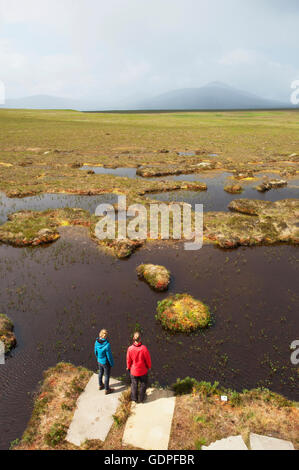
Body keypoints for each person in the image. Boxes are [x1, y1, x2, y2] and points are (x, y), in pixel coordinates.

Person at [126, 332, 152, 403]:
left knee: (134, 384)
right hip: (143, 371)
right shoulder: (144, 348)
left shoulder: (130, 348)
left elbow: (128, 360)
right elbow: (148, 359)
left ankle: (134, 398)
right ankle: (141, 398)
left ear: (133, 338)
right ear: (140, 339)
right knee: (143, 384)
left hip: (133, 371)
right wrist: (149, 366)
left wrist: (128, 367)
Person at [94, 329, 114, 395]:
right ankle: (107, 389)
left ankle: (100, 385)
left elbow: (95, 351)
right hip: (105, 362)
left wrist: (98, 358)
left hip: (99, 361)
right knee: (107, 375)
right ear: (106, 336)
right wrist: (111, 363)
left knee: (100, 372)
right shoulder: (107, 345)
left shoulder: (96, 342)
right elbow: (109, 356)